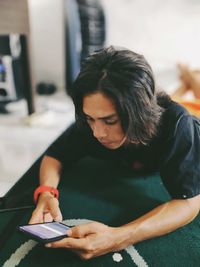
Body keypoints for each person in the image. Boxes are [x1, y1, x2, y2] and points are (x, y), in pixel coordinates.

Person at [29, 46, 200, 260]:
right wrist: (46, 192)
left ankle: (188, 74)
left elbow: (189, 202)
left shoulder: (178, 126)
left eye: (110, 121)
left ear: (139, 113)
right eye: (90, 119)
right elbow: (55, 155)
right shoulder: (93, 116)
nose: (97, 133)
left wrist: (118, 237)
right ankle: (186, 78)